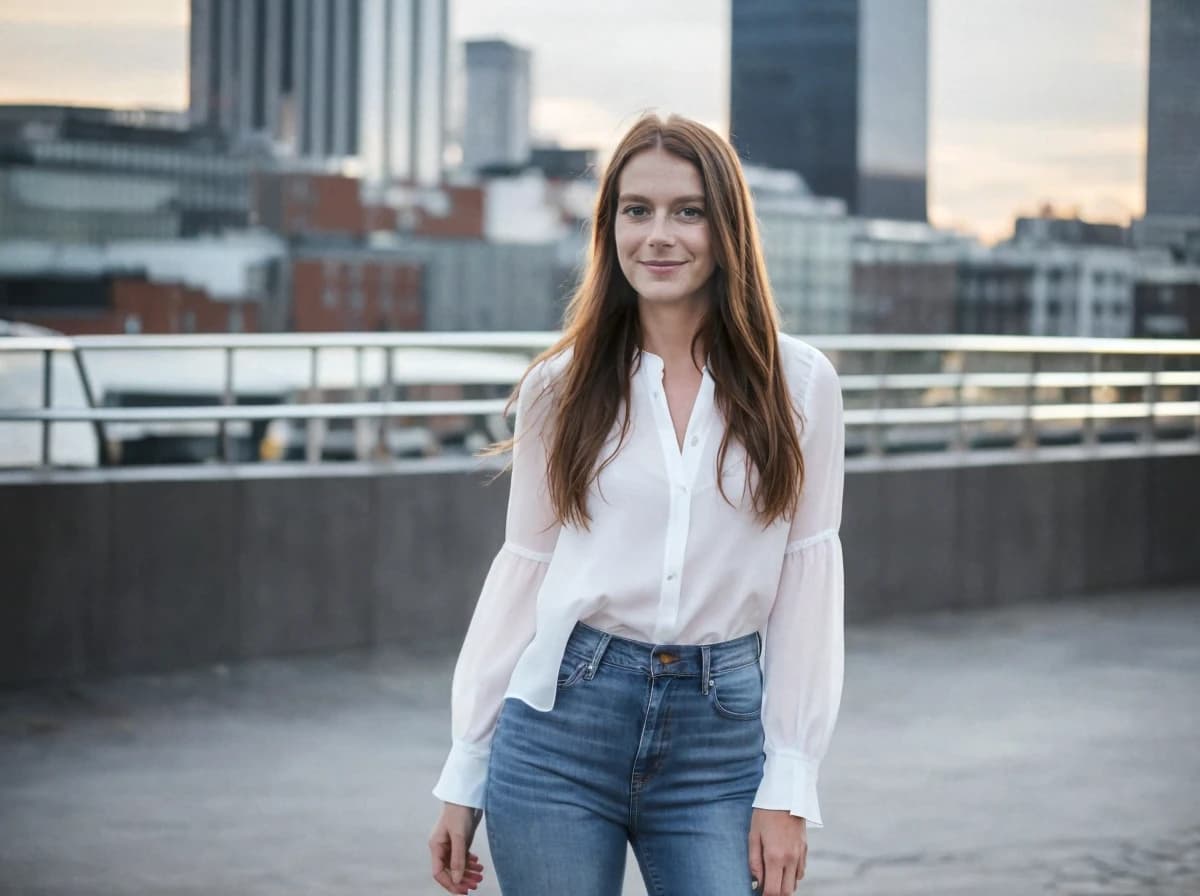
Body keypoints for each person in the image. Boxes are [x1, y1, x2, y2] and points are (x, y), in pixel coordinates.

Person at [427, 113, 845, 896]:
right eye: (636, 210)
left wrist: (789, 783)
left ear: (728, 228)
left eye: (688, 211)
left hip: (718, 743)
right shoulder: (563, 386)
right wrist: (465, 770)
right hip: (559, 732)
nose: (660, 235)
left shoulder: (802, 385)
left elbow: (808, 578)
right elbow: (526, 570)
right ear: (608, 226)